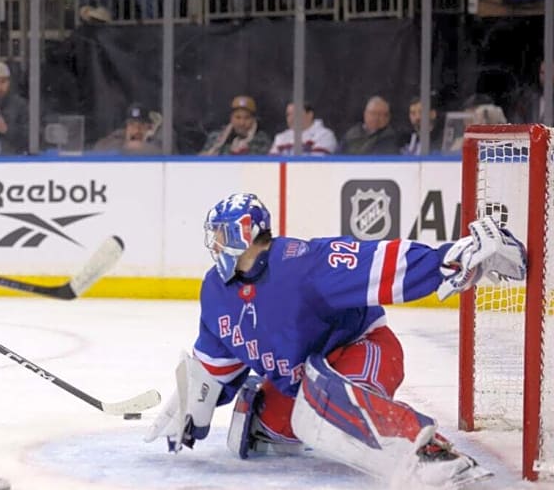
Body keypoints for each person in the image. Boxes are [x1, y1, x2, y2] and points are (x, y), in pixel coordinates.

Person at [145, 193, 526, 488]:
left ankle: (430, 452)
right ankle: (295, 405)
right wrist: (194, 404)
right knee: (261, 429)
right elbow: (216, 364)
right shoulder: (215, 291)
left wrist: (455, 258)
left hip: (364, 349)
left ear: (242, 233)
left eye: (219, 234)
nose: (212, 243)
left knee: (320, 407)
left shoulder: (302, 264)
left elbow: (381, 262)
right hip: (302, 379)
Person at [200, 96, 271, 156]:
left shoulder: (262, 140)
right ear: (231, 118)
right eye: (238, 117)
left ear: (253, 120)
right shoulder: (215, 137)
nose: (242, 123)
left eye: (247, 118)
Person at [93, 102, 163, 155]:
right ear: (126, 127)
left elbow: (164, 152)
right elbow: (99, 148)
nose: (136, 130)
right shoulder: (118, 137)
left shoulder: (156, 140)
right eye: (132, 124)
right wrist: (125, 145)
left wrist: (142, 146)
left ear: (149, 128)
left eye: (141, 125)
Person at [268, 102, 337, 155]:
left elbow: (315, 164)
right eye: (288, 115)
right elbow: (271, 164)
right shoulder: (281, 137)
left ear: (310, 115)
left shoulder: (325, 135)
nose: (291, 118)